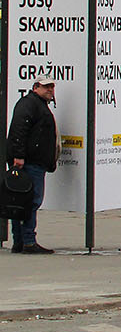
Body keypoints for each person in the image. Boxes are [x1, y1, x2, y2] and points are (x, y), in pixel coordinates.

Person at [7, 80, 59, 254]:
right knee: (30, 201)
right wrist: (19, 156)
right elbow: (18, 130)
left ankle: (20, 241)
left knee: (21, 201)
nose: (50, 90)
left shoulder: (36, 105)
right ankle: (27, 241)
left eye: (52, 87)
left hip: (33, 161)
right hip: (30, 162)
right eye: (46, 87)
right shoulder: (30, 104)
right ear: (36, 87)